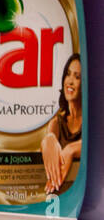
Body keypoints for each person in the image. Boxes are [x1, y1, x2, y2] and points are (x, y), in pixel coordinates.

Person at [43, 53, 82, 194]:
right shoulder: (57, 122)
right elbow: (50, 136)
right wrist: (48, 140)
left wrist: (71, 149)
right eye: (68, 74)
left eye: (77, 77)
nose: (70, 81)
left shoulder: (92, 121)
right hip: (59, 197)